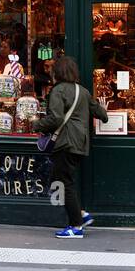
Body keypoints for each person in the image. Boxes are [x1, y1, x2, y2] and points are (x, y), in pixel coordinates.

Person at [36, 55, 107, 239]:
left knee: (64, 183)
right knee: (64, 180)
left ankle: (76, 225)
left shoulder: (58, 91)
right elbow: (101, 114)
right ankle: (81, 214)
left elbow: (56, 118)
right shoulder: (82, 91)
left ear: (57, 73)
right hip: (80, 143)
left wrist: (36, 125)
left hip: (65, 143)